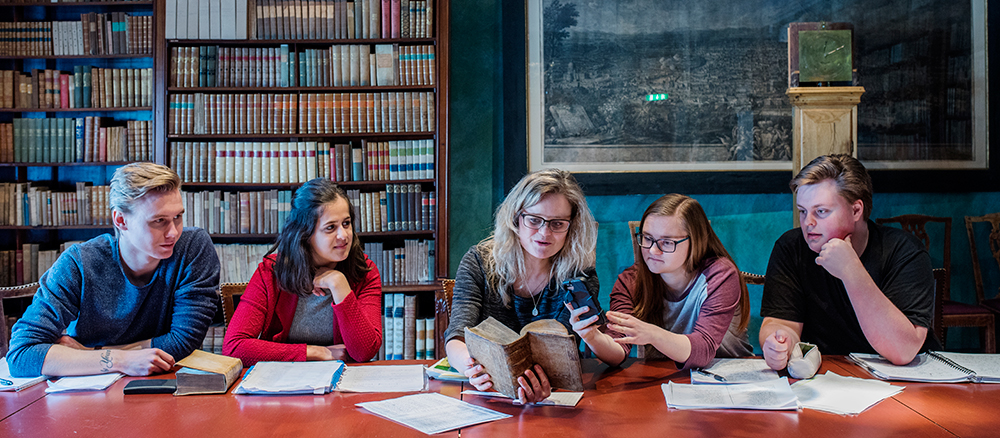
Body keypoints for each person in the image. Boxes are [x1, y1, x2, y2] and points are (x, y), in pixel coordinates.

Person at [6, 163, 220, 377]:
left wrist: (91, 354)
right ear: (120, 220)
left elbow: (183, 341)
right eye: (159, 221)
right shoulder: (79, 263)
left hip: (164, 383)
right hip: (88, 393)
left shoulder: (193, 247)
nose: (173, 232)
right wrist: (120, 360)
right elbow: (21, 354)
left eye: (177, 217)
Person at [445, 168, 617, 404]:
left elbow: (564, 352)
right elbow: (456, 336)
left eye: (557, 223)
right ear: (516, 218)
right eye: (534, 220)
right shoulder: (479, 262)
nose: (544, 233)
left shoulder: (579, 274)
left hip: (558, 397)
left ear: (572, 226)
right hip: (489, 394)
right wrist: (472, 369)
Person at [760, 154, 936, 369]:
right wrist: (779, 342)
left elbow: (902, 351)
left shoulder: (904, 251)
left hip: (906, 381)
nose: (808, 222)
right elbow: (780, 322)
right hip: (828, 376)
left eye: (821, 211)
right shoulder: (791, 247)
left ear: (856, 210)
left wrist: (851, 271)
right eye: (803, 212)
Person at [576, 194, 751, 369]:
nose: (653, 250)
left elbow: (703, 351)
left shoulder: (719, 274)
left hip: (733, 374)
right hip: (669, 379)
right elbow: (618, 351)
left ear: (696, 241)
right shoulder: (630, 281)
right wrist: (592, 337)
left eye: (667, 242)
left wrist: (652, 334)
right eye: (647, 238)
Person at [223, 178, 382, 366]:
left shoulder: (365, 272)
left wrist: (339, 285)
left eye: (346, 223)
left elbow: (365, 351)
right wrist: (316, 352)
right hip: (283, 384)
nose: (343, 235)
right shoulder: (271, 272)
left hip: (343, 384)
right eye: (330, 228)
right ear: (305, 235)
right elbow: (234, 347)